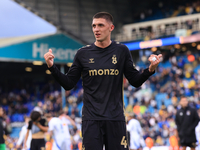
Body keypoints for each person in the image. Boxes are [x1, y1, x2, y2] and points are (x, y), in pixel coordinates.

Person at [44, 12, 162, 150]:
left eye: (100, 25)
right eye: (94, 26)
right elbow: (68, 83)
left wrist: (151, 69)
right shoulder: (83, 53)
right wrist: (52, 67)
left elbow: (135, 81)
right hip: (91, 119)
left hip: (115, 118)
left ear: (111, 28)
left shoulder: (121, 51)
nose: (96, 29)